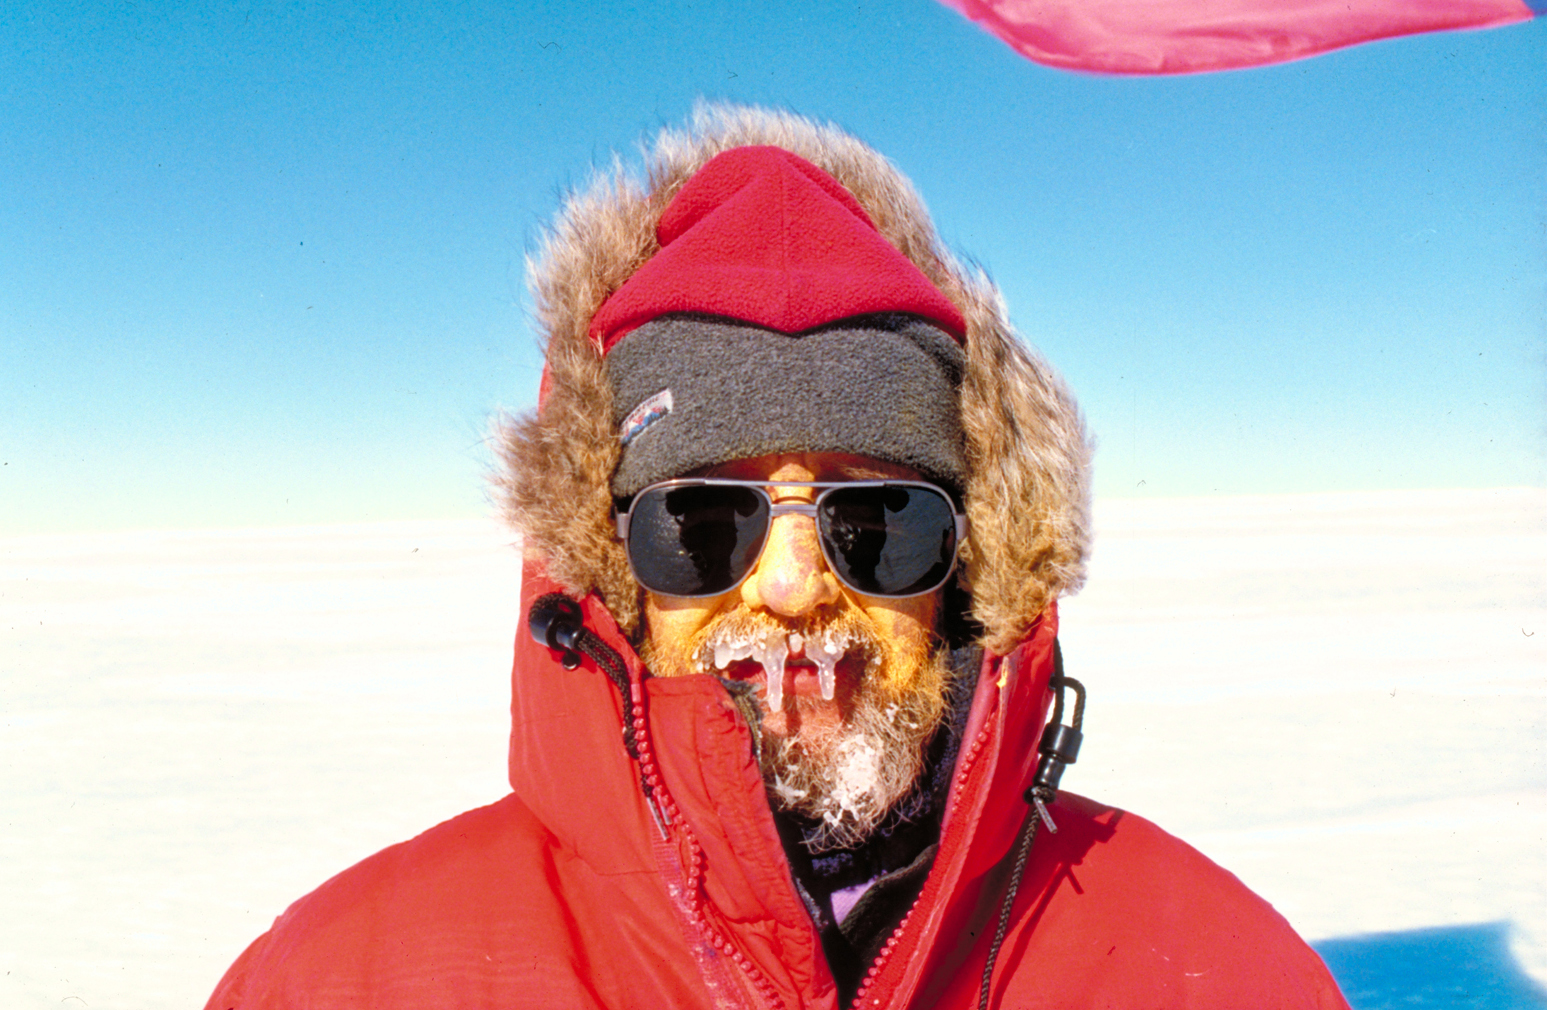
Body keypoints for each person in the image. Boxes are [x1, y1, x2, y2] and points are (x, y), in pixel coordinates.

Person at [206, 105, 1349, 1010]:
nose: (796, 586)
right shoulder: (345, 979)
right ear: (605, 568)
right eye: (703, 524)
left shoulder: (1217, 967)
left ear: (971, 566)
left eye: (880, 521)